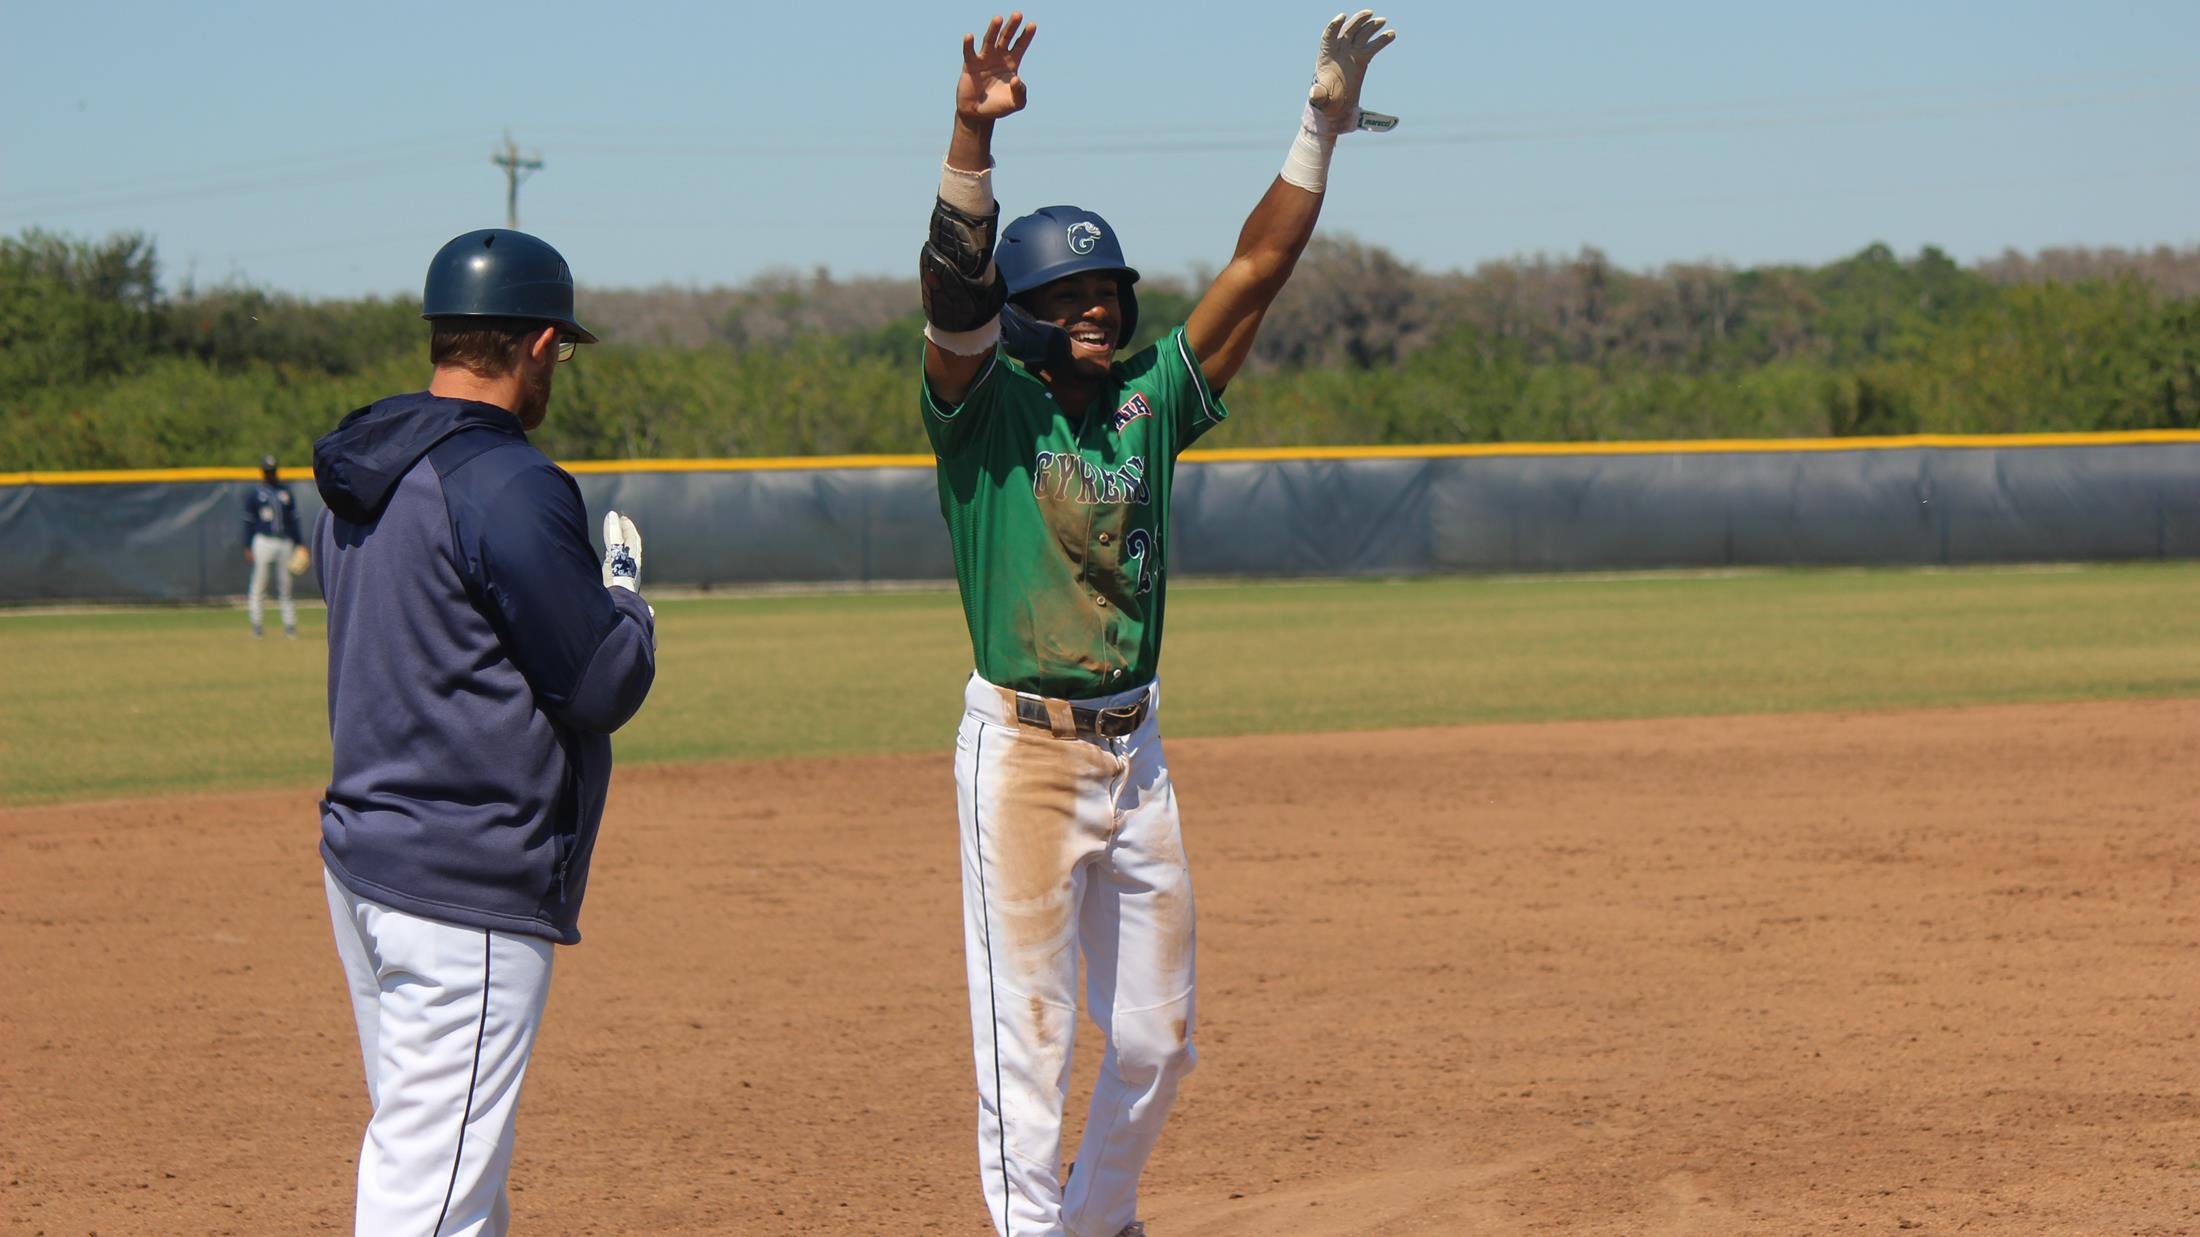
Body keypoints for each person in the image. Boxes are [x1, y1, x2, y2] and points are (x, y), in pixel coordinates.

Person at [916, 11, 1397, 1235]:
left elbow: (1254, 273)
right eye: (1063, 294)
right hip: (1020, 756)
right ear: (1019, 311)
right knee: (1025, 1061)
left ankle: (1097, 1220)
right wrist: (971, 134)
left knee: (1156, 1037)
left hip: (1136, 756)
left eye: (1104, 290)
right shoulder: (981, 408)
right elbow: (954, 290)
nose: (1092, 308)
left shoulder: (1149, 400)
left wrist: (1317, 129)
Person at [310, 227, 657, 1236]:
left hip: (367, 858)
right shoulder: (507, 481)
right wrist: (626, 595)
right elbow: (599, 680)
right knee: (430, 1193)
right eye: (564, 352)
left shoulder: (359, 469)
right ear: (540, 343)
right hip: (466, 878)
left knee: (450, 1154)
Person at [242, 452, 304, 638]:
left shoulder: (285, 492)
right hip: (263, 541)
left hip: (284, 541)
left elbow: (294, 520)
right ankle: (257, 625)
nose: (271, 474)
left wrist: (300, 543)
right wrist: (247, 545)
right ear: (263, 472)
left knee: (285, 586)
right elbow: (248, 521)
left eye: (273, 471)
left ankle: (290, 626)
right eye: (268, 471)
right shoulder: (255, 494)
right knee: (259, 585)